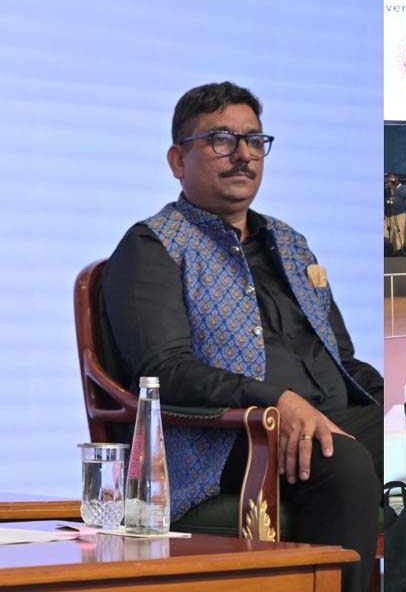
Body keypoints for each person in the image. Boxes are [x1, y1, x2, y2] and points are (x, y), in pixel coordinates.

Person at [100, 82, 382, 592]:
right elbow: (163, 371)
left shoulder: (290, 243)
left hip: (321, 418)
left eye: (254, 140)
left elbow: (340, 359)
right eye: (222, 140)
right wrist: (277, 401)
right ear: (177, 160)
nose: (244, 155)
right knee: (342, 461)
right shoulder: (153, 246)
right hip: (223, 439)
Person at [385, 172, 406, 255]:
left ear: (397, 178)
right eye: (389, 178)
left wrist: (393, 188)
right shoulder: (387, 187)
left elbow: (404, 195)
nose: (391, 179)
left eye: (392, 177)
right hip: (389, 213)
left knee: (399, 232)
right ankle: (388, 249)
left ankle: (399, 250)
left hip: (400, 213)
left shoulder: (403, 187)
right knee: (388, 232)